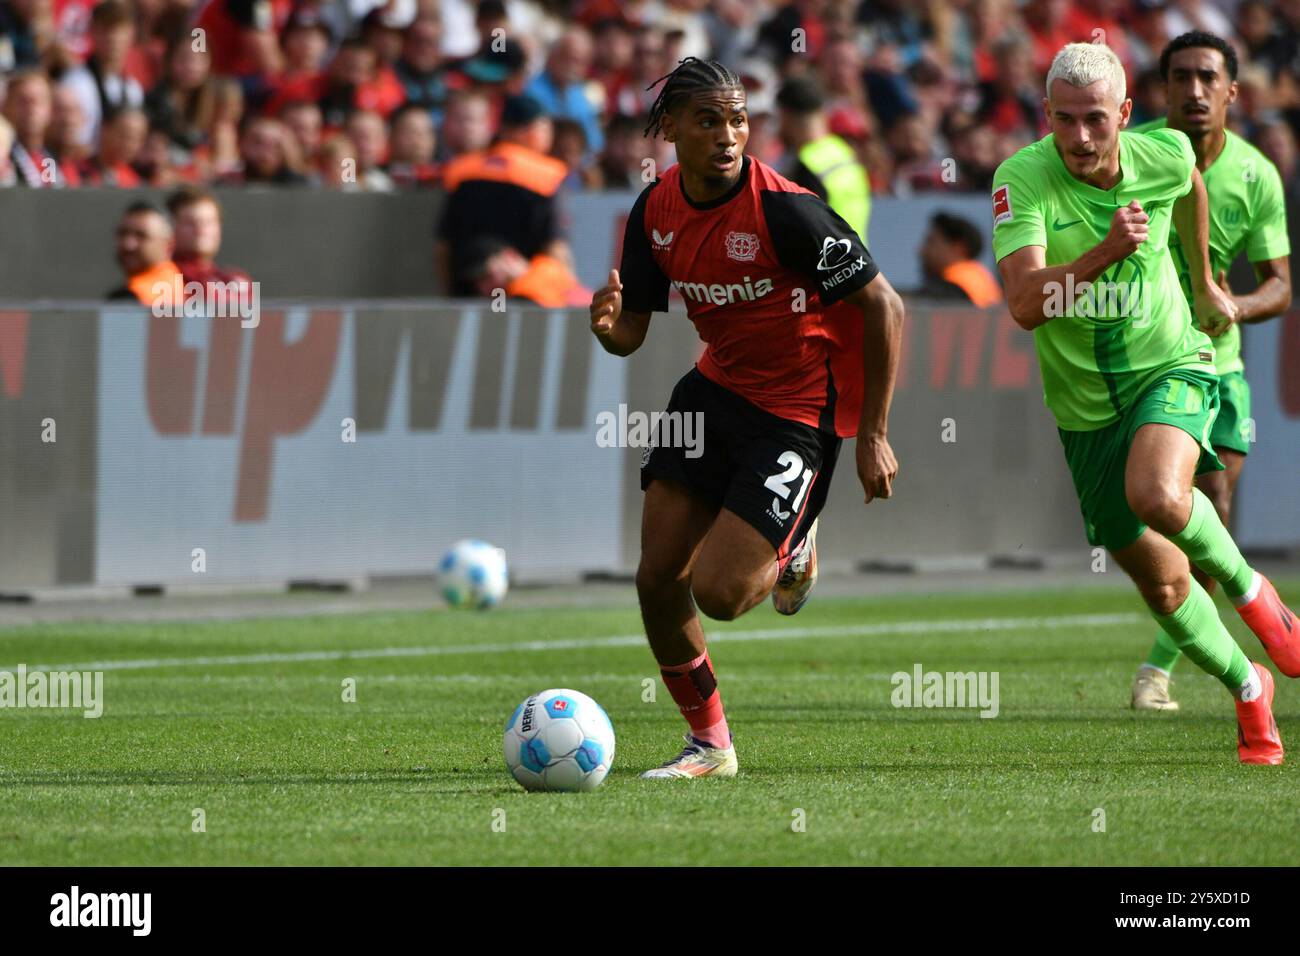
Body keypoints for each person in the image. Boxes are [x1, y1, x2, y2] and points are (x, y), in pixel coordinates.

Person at [590, 58, 904, 778]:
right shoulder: (653, 209)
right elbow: (632, 328)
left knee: (723, 595)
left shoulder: (788, 211)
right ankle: (711, 745)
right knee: (656, 578)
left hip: (797, 412)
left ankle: (794, 546)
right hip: (713, 392)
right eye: (709, 120)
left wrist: (874, 434)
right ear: (669, 128)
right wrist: (607, 328)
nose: (729, 135)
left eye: (738, 120)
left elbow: (884, 305)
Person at [992, 42, 1298, 765]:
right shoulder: (1021, 179)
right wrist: (1103, 250)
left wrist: (1199, 283)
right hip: (1083, 410)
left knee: (1159, 493)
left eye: (1096, 120)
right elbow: (1025, 305)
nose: (1081, 138)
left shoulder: (1159, 152)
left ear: (1125, 114)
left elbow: (1188, 180)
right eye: (1064, 121)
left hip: (1170, 361)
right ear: (1047, 117)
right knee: (1163, 588)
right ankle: (1248, 689)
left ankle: (1255, 593)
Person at [1126, 32, 1293, 711]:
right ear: (1163, 90)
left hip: (1219, 366)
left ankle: (1160, 668)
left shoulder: (1256, 174)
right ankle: (1205, 648)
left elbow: (1280, 284)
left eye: (1207, 78)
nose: (1194, 91)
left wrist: (1236, 303)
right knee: (1153, 520)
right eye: (1181, 77)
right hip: (1145, 361)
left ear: (1232, 92)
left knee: (1213, 508)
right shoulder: (1130, 153)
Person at [436, 94, 570, 296]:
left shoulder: (462, 170)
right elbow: (555, 248)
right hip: (523, 297)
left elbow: (443, 247)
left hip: (469, 293)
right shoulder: (547, 176)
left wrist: (448, 292)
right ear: (532, 131)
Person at [776, 75, 871, 242]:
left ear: (786, 115)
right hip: (857, 262)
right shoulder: (844, 152)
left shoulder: (806, 166)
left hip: (824, 264)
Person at [917, 212, 1004, 306]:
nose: (921, 251)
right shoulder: (982, 278)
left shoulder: (949, 289)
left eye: (931, 242)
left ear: (958, 247)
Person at [108, 201, 181, 304]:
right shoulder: (181, 284)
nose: (128, 244)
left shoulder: (130, 298)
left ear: (168, 246)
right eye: (122, 233)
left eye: (141, 236)